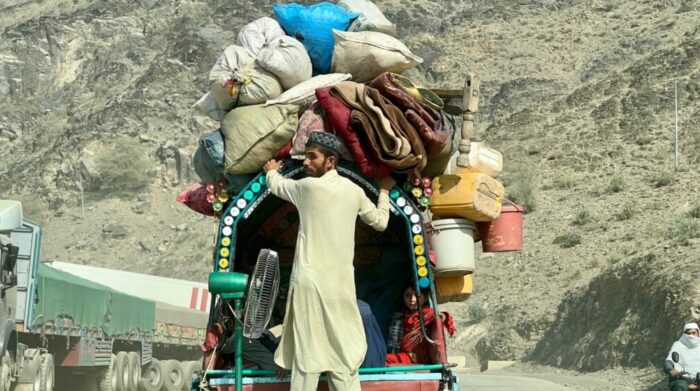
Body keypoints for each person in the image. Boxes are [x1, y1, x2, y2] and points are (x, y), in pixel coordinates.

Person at [262, 131, 395, 391]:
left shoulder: (307, 188)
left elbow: (277, 186)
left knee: (306, 360)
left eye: (312, 157)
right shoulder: (354, 191)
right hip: (341, 290)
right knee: (342, 358)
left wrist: (270, 171)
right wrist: (384, 192)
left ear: (331, 161)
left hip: (309, 288)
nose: (305, 163)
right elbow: (381, 222)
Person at [385, 284, 455, 365]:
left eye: (417, 296)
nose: (412, 299)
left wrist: (442, 317)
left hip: (415, 357)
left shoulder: (427, 314)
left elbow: (441, 317)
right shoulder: (402, 315)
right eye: (408, 295)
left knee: (384, 359)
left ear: (425, 297)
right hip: (401, 352)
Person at [665, 322, 700, 391]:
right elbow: (669, 360)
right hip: (683, 379)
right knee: (680, 386)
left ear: (698, 333)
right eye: (688, 333)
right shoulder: (678, 345)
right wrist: (671, 370)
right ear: (684, 334)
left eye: (693, 333)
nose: (691, 336)